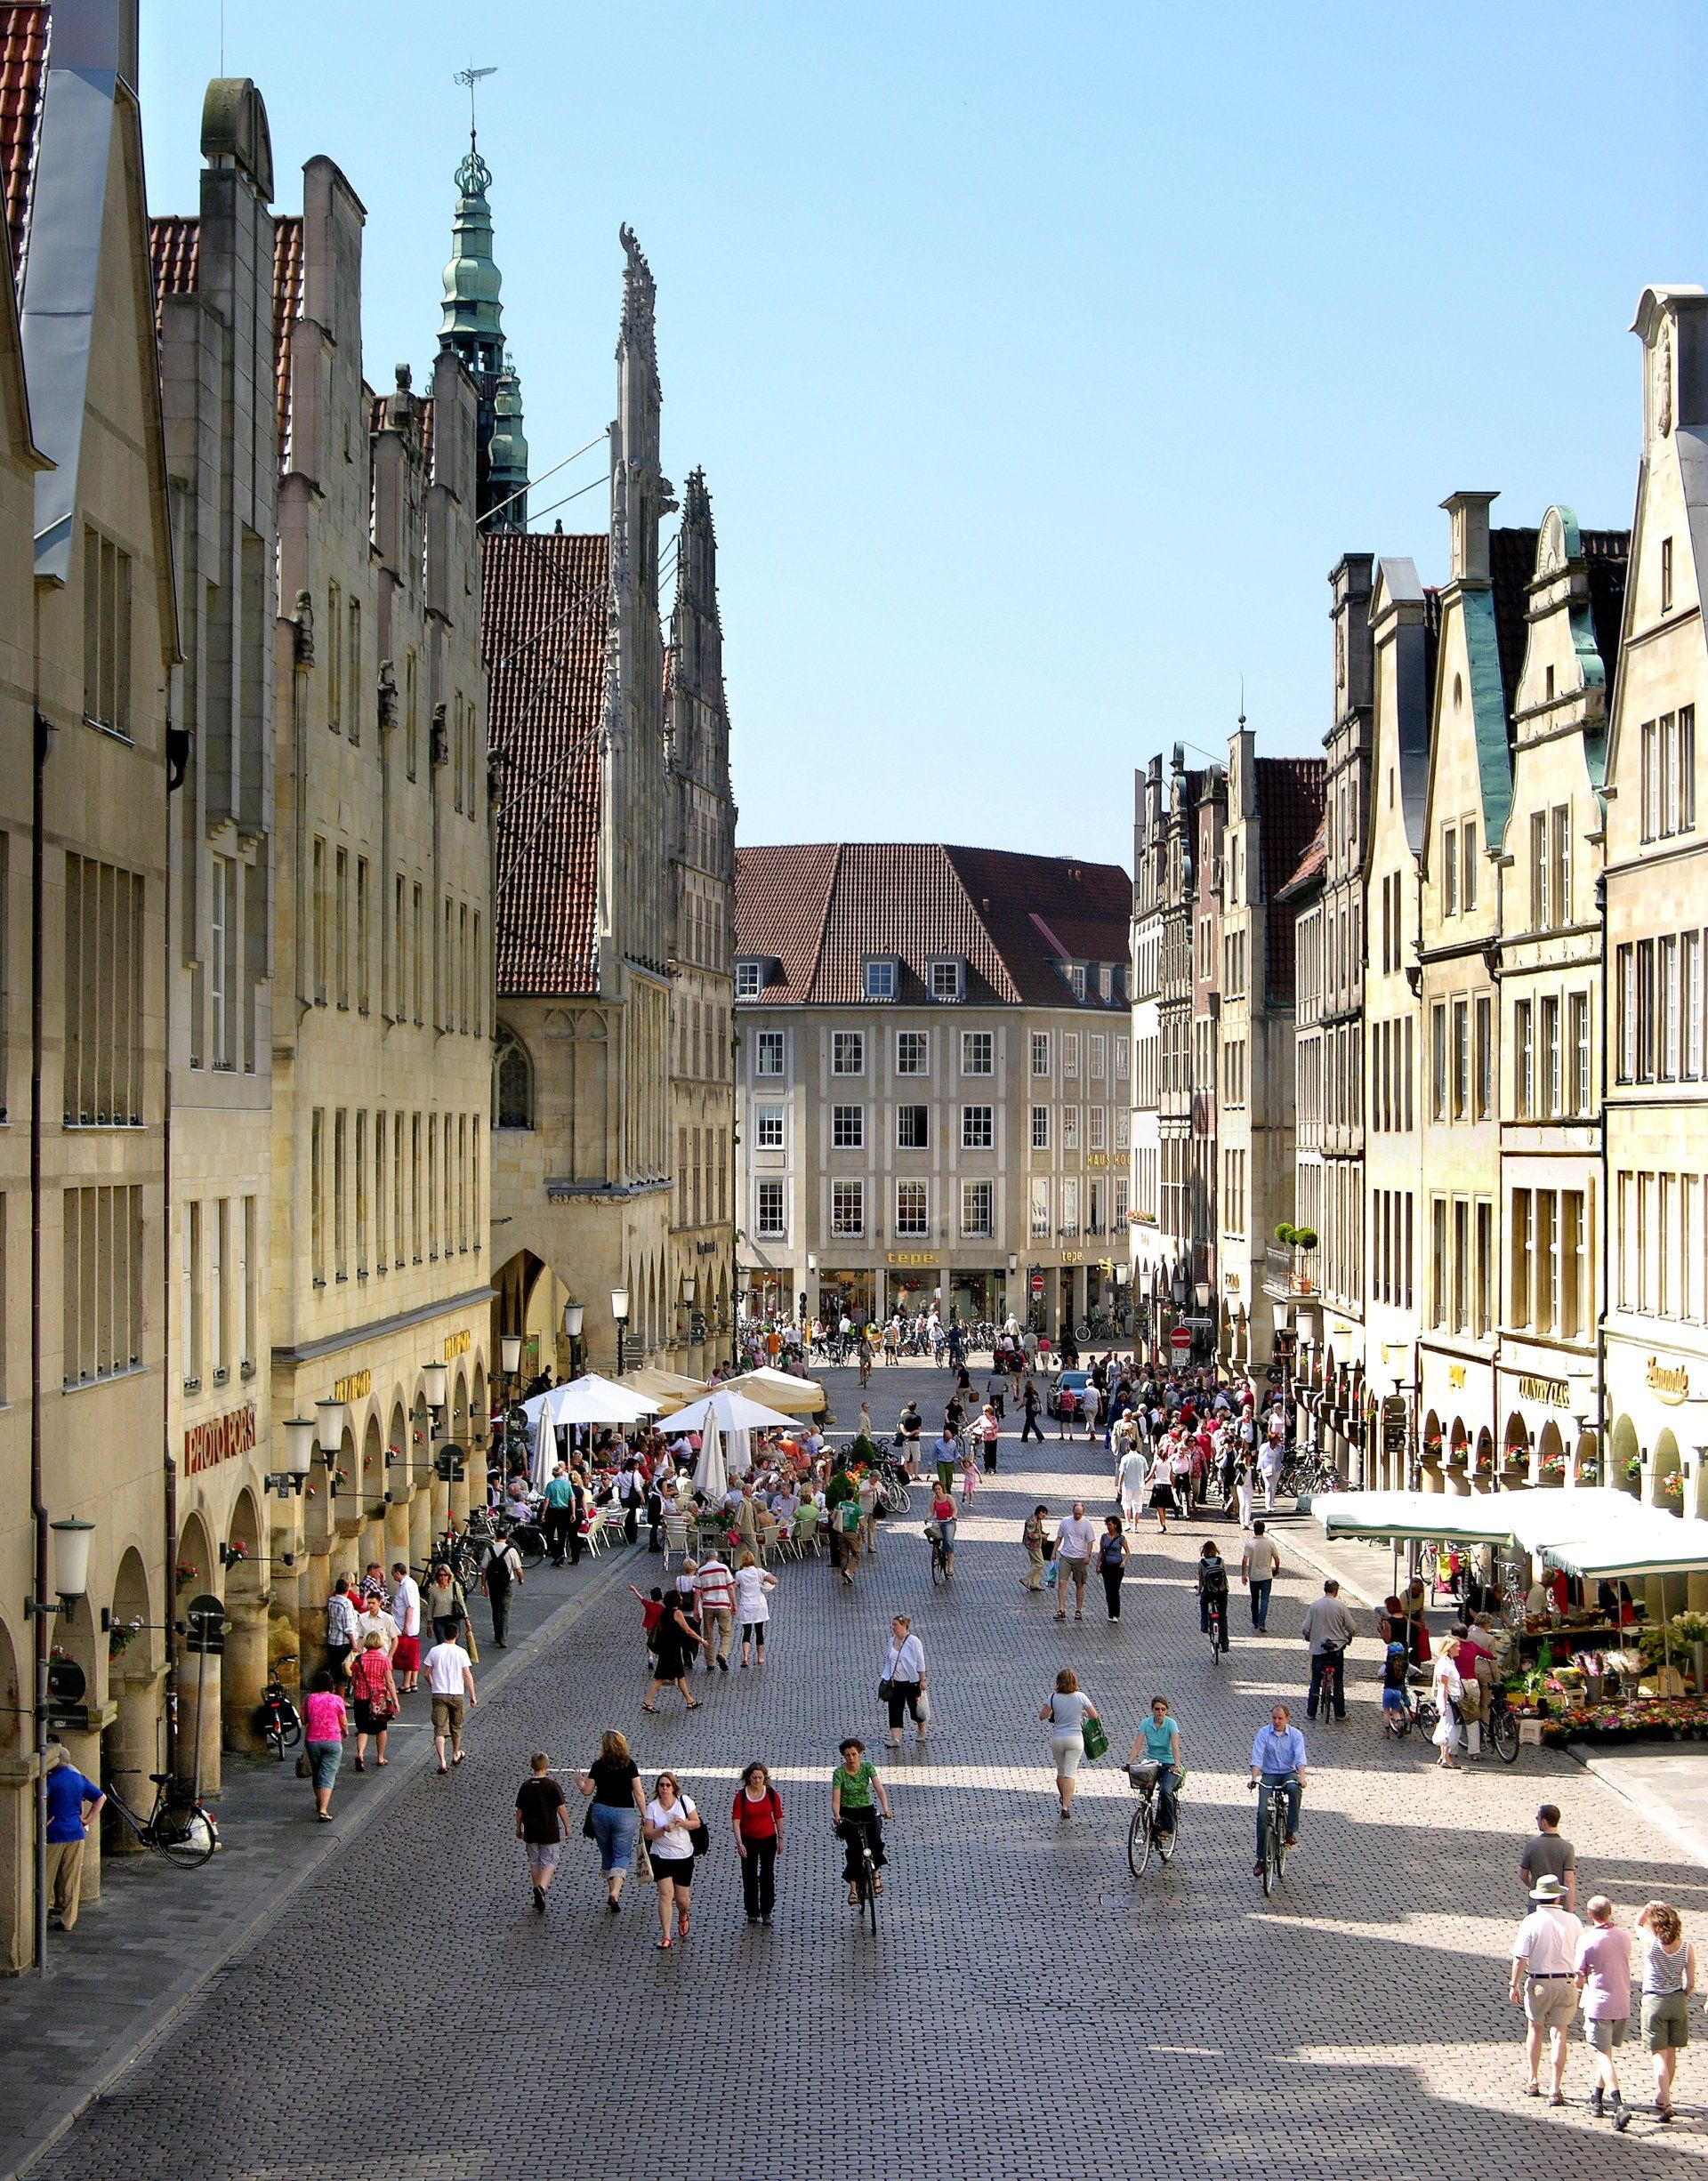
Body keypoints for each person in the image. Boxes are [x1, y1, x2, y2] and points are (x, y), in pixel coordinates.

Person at [1511, 1874, 1585, 2104]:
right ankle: (1556, 2087)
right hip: (1566, 1982)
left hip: (1540, 1982)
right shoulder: (1573, 1921)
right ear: (1558, 1897)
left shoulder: (1531, 1921)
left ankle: (1533, 2080)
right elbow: (1582, 1954)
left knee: (1535, 2028)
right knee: (1560, 2033)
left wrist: (1514, 1984)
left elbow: (1521, 1957)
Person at [1575, 1895, 1633, 2128]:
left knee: (1603, 2055)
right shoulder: (1624, 1936)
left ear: (1590, 1915)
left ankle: (1619, 2104)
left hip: (1599, 2004)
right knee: (1607, 2051)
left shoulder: (1588, 1940)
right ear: (1610, 1913)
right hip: (1621, 2003)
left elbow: (1579, 1978)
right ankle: (1596, 2098)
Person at [575, 1730, 648, 1911]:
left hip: (600, 1813)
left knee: (607, 1853)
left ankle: (611, 1892)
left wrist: (580, 1781)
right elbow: (638, 1792)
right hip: (624, 1814)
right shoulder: (629, 1764)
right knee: (621, 1855)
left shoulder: (598, 1765)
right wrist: (646, 1815)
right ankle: (615, 1892)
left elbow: (587, 1791)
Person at [1636, 1899, 1695, 2121]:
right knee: (1671, 2052)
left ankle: (1666, 2102)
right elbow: (1690, 1984)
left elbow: (1637, 1925)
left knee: (1657, 2055)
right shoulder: (1687, 1948)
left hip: (1654, 2001)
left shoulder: (1652, 1945)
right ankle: (1663, 2095)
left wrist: (1648, 1908)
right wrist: (1681, 1997)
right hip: (1677, 2001)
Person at [44, 1746, 105, 1929]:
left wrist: (42, 1823)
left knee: (46, 1877)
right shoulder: (79, 1779)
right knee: (71, 1879)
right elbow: (100, 1797)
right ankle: (68, 1921)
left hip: (54, 1833)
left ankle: (40, 1917)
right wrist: (88, 1819)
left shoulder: (51, 1780)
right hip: (76, 1833)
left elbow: (40, 1801)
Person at [1247, 1703, 1307, 1874]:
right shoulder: (1263, 1733)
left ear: (1287, 1719)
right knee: (1262, 1814)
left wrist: (1301, 1777)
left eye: (1280, 1718)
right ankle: (1261, 1859)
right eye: (1274, 1718)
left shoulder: (1296, 1735)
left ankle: (1290, 1831)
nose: (1276, 1721)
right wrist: (1253, 1779)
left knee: (1294, 1789)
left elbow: (1300, 1758)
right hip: (1270, 1775)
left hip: (1288, 1772)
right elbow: (1257, 1758)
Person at [643, 1772, 700, 1950]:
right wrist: (662, 1830)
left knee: (682, 1900)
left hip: (683, 1856)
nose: (664, 1789)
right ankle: (666, 1936)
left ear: (674, 1787)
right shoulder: (652, 1807)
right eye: (661, 1785)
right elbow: (648, 1833)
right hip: (660, 1856)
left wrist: (681, 1823)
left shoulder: (684, 1802)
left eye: (668, 1785)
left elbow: (696, 1822)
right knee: (665, 1894)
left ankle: (683, 1915)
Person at [832, 1737, 890, 1904]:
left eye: (854, 1755)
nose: (851, 1758)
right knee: (854, 1849)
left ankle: (876, 1875)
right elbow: (836, 1798)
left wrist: (885, 1808)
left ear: (860, 1754)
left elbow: (879, 1788)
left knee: (875, 1841)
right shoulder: (839, 1773)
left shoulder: (867, 1767)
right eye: (847, 1755)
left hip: (866, 1810)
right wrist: (837, 1815)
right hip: (848, 1813)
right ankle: (853, 1889)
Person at [515, 1751, 571, 1913]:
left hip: (531, 1830)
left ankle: (536, 1892)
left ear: (531, 1766)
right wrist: (567, 1826)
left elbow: (519, 1810)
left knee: (535, 1862)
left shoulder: (525, 1786)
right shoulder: (552, 1786)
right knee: (550, 1861)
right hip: (549, 1830)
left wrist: (518, 1828)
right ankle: (542, 1888)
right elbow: (561, 1808)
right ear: (546, 1767)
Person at [1041, 1667, 1100, 1819]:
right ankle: (1066, 1806)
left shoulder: (1053, 1697)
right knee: (1070, 1773)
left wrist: (1054, 1711)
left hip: (1058, 1738)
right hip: (1075, 1739)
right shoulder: (1081, 1697)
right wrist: (1082, 1712)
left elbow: (1042, 1716)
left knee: (1060, 1772)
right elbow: (1094, 1715)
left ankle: (1063, 1798)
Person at [732, 1760, 785, 1926]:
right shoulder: (741, 1796)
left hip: (768, 1839)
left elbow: (778, 1817)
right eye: (754, 1778)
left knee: (767, 1875)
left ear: (765, 1778)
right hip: (748, 1840)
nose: (757, 1781)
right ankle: (752, 1911)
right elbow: (736, 1821)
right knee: (749, 1876)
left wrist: (780, 1838)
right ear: (748, 1778)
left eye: (760, 1778)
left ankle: (767, 1911)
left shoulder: (771, 1794)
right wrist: (740, 1843)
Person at [1125, 1696, 1181, 1840]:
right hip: (1152, 1763)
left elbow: (1175, 1747)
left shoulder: (1171, 1724)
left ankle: (1168, 1827)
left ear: (1167, 1711)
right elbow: (1137, 1746)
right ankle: (1146, 1817)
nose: (1160, 1712)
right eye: (1157, 1709)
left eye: (1163, 1709)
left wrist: (1177, 1765)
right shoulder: (1146, 1723)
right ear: (1152, 1710)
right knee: (1144, 1791)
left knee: (1165, 1791)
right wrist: (1128, 1763)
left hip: (1168, 1764)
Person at [424, 1624, 477, 1772]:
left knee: (440, 1729)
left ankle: (442, 1761)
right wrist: (472, 1694)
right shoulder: (461, 1652)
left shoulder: (434, 1651)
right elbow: (467, 1674)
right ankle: (455, 1753)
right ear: (457, 1635)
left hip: (439, 1694)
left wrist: (433, 1685)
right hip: (457, 1694)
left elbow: (426, 1673)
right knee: (456, 1726)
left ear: (444, 1635)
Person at [1301, 1580, 1355, 1722]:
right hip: (1336, 1648)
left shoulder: (1314, 1606)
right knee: (1338, 1681)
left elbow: (1305, 1628)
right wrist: (1348, 1637)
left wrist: (1308, 1636)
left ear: (1324, 1590)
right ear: (1336, 1591)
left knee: (1315, 1680)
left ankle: (1311, 1712)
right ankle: (1339, 1713)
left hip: (1318, 1649)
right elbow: (1352, 1627)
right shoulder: (1341, 1607)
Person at [645, 1585, 704, 1710]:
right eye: (680, 1597)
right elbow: (688, 1630)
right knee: (661, 1677)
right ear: (676, 1600)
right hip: (672, 1648)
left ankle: (690, 1700)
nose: (682, 1598)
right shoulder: (677, 1613)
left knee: (677, 1675)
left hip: (666, 1647)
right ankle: (648, 1701)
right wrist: (701, 1640)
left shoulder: (664, 1612)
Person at [347, 1630, 399, 1770]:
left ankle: (360, 1754)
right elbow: (389, 1682)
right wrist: (395, 1700)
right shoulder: (384, 1660)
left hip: (361, 1699)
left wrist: (361, 1686)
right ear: (380, 1643)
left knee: (362, 1728)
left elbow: (353, 1682)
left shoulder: (359, 1660)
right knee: (381, 1728)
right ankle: (380, 1757)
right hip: (378, 1700)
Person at [301, 1670, 347, 1821]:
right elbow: (343, 1721)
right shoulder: (337, 1700)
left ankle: (320, 1800)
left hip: (313, 1741)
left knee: (316, 1772)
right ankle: (323, 1809)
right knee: (328, 1774)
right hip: (332, 1740)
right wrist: (345, 1731)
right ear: (331, 1685)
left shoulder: (308, 1699)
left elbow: (303, 1721)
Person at [881, 1614, 928, 1746]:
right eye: (893, 1625)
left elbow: (920, 1662)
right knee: (895, 1709)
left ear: (904, 1626)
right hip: (895, 1682)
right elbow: (889, 1661)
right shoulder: (891, 1641)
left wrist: (922, 1679)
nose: (893, 1627)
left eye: (896, 1625)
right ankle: (895, 1739)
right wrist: (886, 1677)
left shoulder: (914, 1641)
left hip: (911, 1683)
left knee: (915, 1710)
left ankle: (921, 1729)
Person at [1520, 1805, 1577, 1913]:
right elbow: (1569, 1880)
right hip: (1560, 1903)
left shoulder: (1532, 1845)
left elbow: (1523, 1875)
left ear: (1544, 1822)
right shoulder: (1567, 1848)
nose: (1537, 1821)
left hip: (1537, 1903)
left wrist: (1535, 1886)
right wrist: (1570, 1910)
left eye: (1538, 1818)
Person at [732, 1551, 777, 1667]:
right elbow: (774, 1581)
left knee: (746, 1632)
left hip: (746, 1605)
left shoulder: (739, 1574)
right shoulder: (759, 1572)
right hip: (759, 1604)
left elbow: (736, 1586)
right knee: (759, 1631)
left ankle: (745, 1657)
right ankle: (759, 1657)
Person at [1054, 1501, 1097, 1622]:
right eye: (1075, 1513)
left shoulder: (1087, 1524)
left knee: (1079, 1584)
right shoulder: (1065, 1521)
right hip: (1066, 1555)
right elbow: (1059, 1537)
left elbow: (1090, 1541)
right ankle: (1061, 1609)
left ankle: (1079, 1610)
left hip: (1080, 1557)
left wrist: (1088, 1555)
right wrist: (1054, 1552)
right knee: (1062, 1582)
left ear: (1083, 1513)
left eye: (1079, 1514)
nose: (1077, 1516)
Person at [695, 1552, 737, 1673]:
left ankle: (710, 1663)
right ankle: (722, 1654)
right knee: (726, 1633)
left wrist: (696, 1609)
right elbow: (730, 1587)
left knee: (708, 1634)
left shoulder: (701, 1571)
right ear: (717, 1558)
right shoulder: (724, 1568)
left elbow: (697, 1592)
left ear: (706, 1558)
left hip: (708, 1606)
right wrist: (734, 1603)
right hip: (723, 1604)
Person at [1430, 1634, 1466, 1769]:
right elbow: (1444, 1686)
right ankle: (1446, 1758)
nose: (1459, 1649)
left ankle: (1444, 1756)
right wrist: (1444, 1705)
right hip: (1449, 1700)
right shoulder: (1445, 1664)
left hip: (1453, 1699)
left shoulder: (1449, 1662)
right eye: (1457, 1646)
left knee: (1449, 1727)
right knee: (1450, 1728)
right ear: (1449, 1648)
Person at [1241, 1521, 1280, 1632]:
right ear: (1263, 1530)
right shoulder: (1270, 1543)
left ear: (1254, 1530)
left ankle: (1255, 1621)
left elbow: (1244, 1560)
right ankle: (1262, 1623)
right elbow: (1277, 1559)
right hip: (1267, 1575)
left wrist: (1243, 1574)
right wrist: (1276, 1569)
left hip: (1254, 1576)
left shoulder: (1250, 1543)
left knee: (1254, 1599)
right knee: (1265, 1600)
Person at [389, 1561, 422, 1693]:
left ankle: (406, 1684)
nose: (392, 1576)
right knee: (412, 1654)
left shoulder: (407, 1585)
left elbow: (410, 1606)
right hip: (404, 1624)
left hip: (405, 1625)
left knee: (406, 1654)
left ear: (397, 1572)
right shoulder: (406, 1584)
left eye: (392, 1573)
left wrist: (406, 1626)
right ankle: (412, 1682)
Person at [325, 1576, 359, 1691]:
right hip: (344, 1642)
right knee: (344, 1671)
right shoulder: (346, 1603)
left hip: (333, 1639)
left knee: (334, 1670)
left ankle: (332, 1694)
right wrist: (354, 1644)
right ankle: (341, 1697)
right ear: (347, 1590)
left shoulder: (332, 1600)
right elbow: (348, 1627)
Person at [1197, 1539, 1230, 1655]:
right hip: (1221, 1592)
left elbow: (1201, 1580)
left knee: (1203, 1602)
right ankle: (1225, 1643)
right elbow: (1225, 1575)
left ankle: (1204, 1625)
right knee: (1223, 1617)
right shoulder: (1221, 1561)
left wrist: (1199, 1591)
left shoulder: (1202, 1563)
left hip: (1209, 1593)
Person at [542, 1461, 576, 1565]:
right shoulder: (567, 1484)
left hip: (552, 1511)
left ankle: (556, 1554)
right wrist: (573, 1513)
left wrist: (543, 1513)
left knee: (550, 1534)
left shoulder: (550, 1485)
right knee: (562, 1535)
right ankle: (560, 1557)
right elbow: (572, 1499)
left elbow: (546, 1500)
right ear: (561, 1474)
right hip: (564, 1511)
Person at [425, 1562, 466, 1646]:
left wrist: (467, 1620)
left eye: (445, 1575)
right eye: (440, 1575)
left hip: (453, 1619)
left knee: (453, 1645)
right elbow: (431, 1606)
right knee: (441, 1644)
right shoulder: (433, 1589)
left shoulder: (455, 1586)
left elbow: (462, 1603)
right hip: (439, 1620)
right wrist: (429, 1625)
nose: (442, 1577)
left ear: (449, 1576)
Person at [1098, 1515, 1129, 1622]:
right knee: (1108, 1590)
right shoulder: (1104, 1537)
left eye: (1110, 1525)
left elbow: (1128, 1552)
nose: (1108, 1526)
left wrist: (1124, 1561)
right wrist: (1098, 1565)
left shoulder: (1121, 1538)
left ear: (1115, 1525)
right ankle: (1111, 1613)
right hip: (1106, 1566)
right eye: (1107, 1524)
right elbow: (1101, 1552)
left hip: (1117, 1566)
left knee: (1115, 1589)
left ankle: (1116, 1613)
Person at [928, 1480, 957, 1577]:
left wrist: (953, 1516)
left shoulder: (949, 1498)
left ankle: (950, 1566)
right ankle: (937, 1553)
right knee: (934, 1539)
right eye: (935, 1489)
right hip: (939, 1521)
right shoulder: (934, 1500)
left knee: (948, 1542)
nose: (937, 1491)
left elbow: (954, 1509)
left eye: (939, 1489)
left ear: (942, 1489)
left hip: (949, 1521)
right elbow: (931, 1512)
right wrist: (928, 1518)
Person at [1117, 1441, 1149, 1530]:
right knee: (1137, 1505)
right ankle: (1135, 1526)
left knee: (1126, 1503)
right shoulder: (1142, 1458)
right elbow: (1145, 1472)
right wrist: (1142, 1481)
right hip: (1139, 1485)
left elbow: (1122, 1473)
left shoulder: (1125, 1458)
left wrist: (1119, 1485)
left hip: (1127, 1484)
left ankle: (1128, 1523)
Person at [1021, 1503, 1050, 1592]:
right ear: (1038, 1512)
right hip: (1033, 1545)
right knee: (1040, 1563)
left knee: (1035, 1564)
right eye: (1043, 1512)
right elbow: (1031, 1535)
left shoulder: (1037, 1520)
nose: (1044, 1515)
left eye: (1045, 1513)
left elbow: (1037, 1531)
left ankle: (1034, 1584)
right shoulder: (1033, 1521)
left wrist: (1043, 1534)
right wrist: (1042, 1536)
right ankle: (1025, 1579)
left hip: (1036, 1544)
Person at [1019, 1376, 1044, 1444]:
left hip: (1029, 1410)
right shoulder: (1035, 1392)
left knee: (1032, 1424)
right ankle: (1024, 1438)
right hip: (1035, 1410)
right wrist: (1040, 1410)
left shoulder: (1027, 1393)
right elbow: (1039, 1402)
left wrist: (1019, 1408)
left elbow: (1024, 1403)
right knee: (1027, 1424)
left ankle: (1040, 1436)